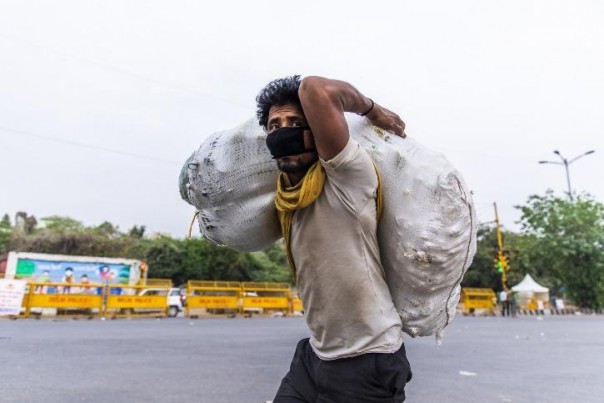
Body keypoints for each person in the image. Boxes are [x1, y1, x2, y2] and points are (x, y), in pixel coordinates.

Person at [257, 75, 412, 402]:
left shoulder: (347, 175)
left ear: (318, 127)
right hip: (313, 358)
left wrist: (372, 110)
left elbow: (315, 89)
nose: (283, 132)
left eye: (296, 122)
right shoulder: (287, 197)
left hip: (367, 362)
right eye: (274, 126)